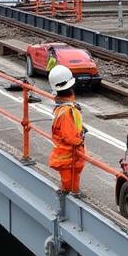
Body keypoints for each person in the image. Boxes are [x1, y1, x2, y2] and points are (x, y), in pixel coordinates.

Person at [48, 64, 86, 196]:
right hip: (70, 155)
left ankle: (70, 191)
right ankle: (71, 192)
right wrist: (79, 140)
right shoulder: (67, 111)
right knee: (70, 180)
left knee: (70, 178)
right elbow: (69, 137)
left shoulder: (62, 108)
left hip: (65, 155)